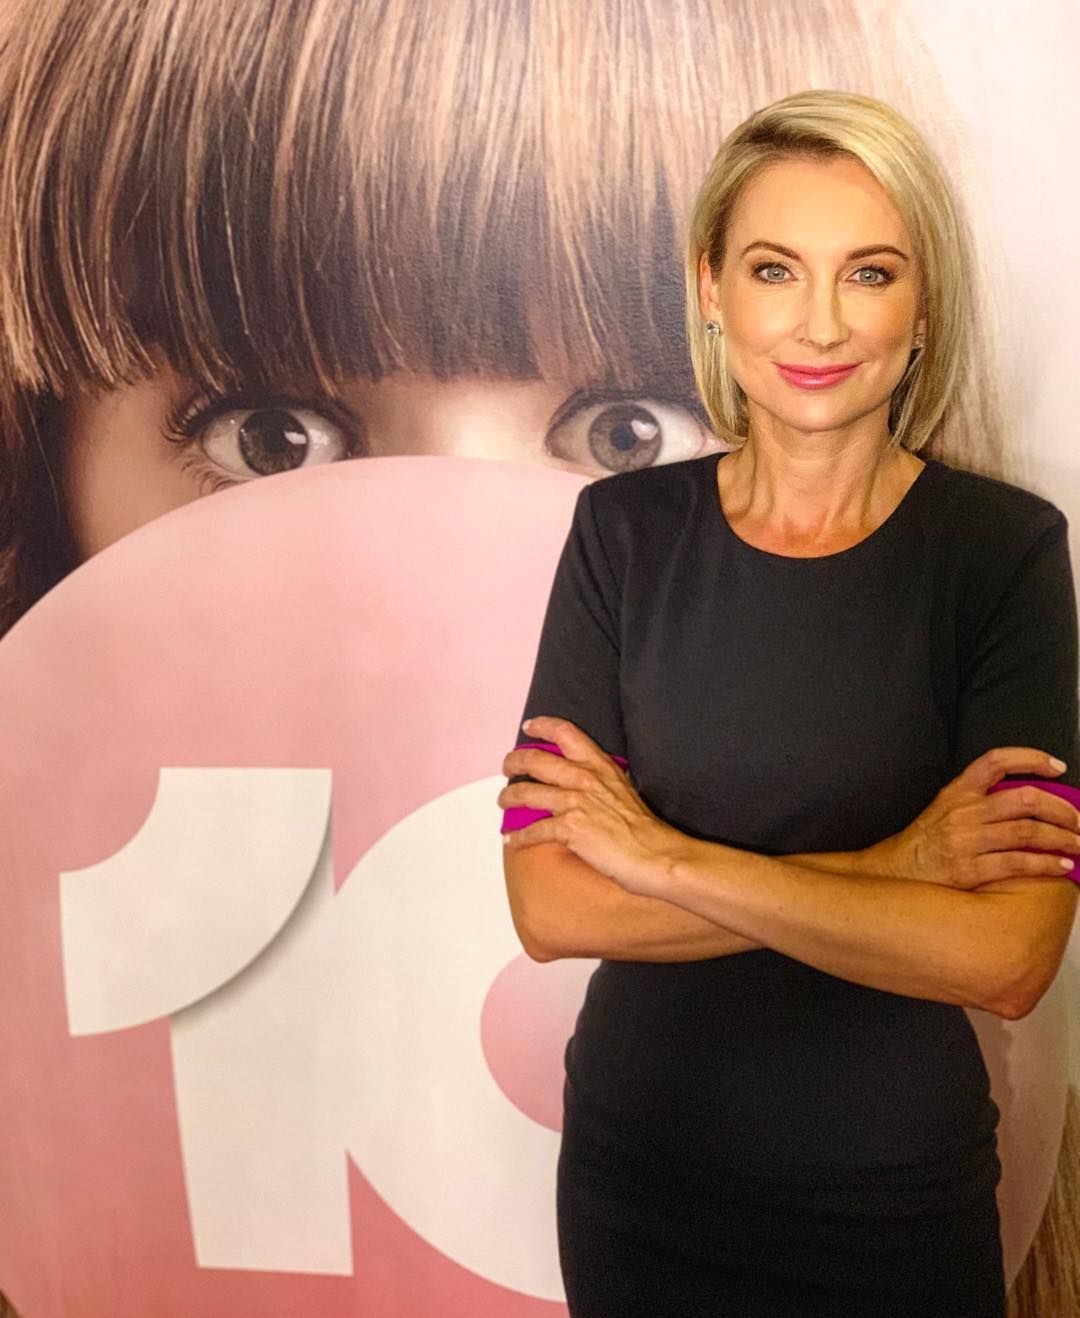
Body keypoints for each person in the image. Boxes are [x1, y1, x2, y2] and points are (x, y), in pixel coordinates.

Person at [500, 90, 1080, 1317]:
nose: (820, 323)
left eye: (869, 272)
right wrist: (895, 866)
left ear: (924, 305)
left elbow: (1010, 955)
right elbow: (549, 906)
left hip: (890, 1202)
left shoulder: (1005, 553)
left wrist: (664, 860)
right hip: (638, 1181)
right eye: (775, 269)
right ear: (711, 288)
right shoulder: (621, 536)